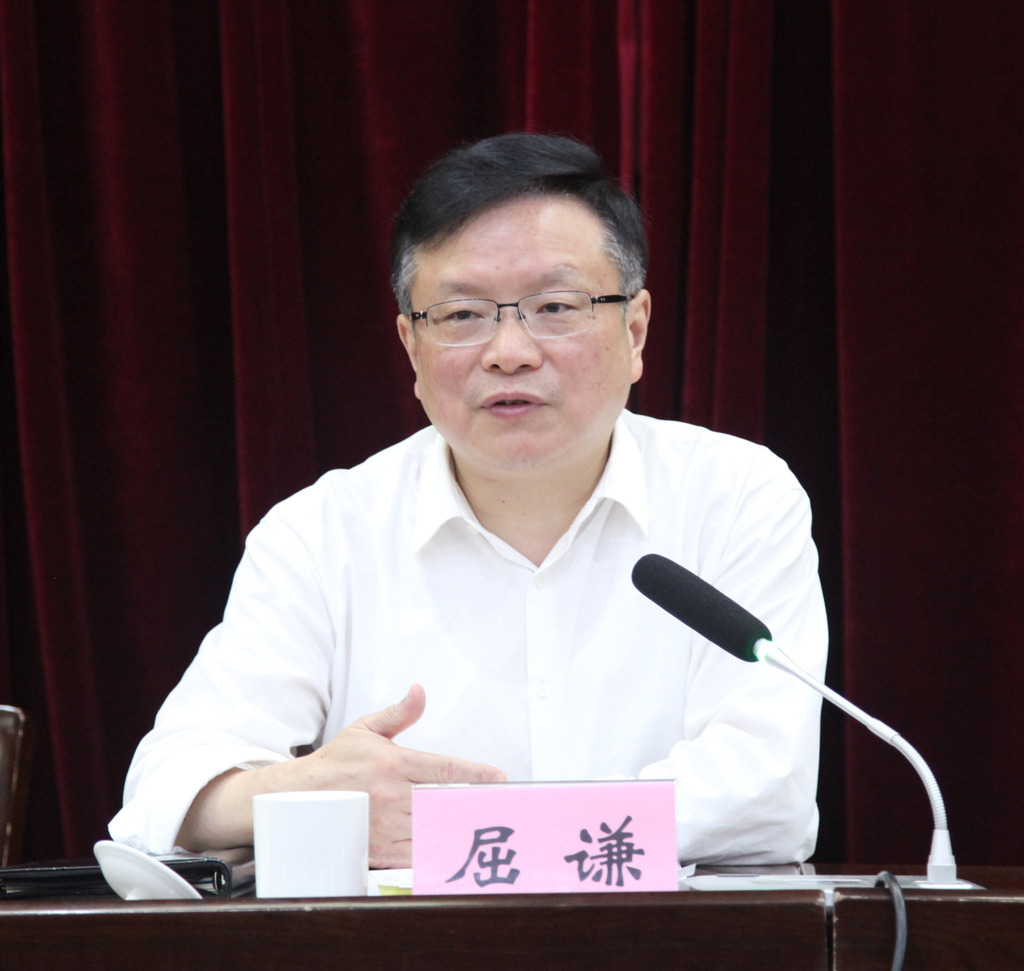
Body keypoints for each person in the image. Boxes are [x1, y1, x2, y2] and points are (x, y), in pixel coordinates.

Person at [110, 133, 827, 869]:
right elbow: (162, 796)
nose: (509, 351)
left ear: (635, 329)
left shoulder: (735, 498)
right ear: (411, 347)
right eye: (461, 316)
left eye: (556, 306)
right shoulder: (323, 534)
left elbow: (765, 793)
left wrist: (474, 835)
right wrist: (306, 790)